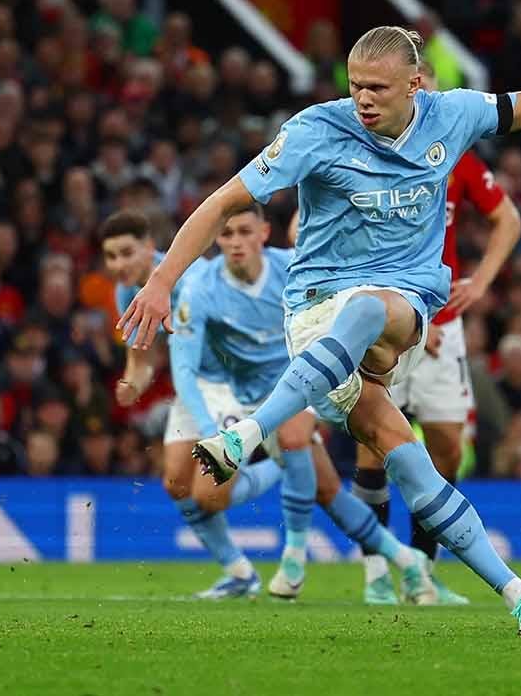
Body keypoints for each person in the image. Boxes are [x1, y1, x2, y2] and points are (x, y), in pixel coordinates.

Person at [122, 0, 521, 638]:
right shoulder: (315, 131)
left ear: (415, 86)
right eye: (355, 85)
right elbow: (223, 201)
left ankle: (249, 433)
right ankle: (520, 594)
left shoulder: (452, 114)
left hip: (401, 302)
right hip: (316, 313)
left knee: (378, 309)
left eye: (378, 87)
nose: (364, 99)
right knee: (406, 456)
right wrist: (161, 280)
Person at [112, 204, 434, 605]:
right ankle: (404, 556)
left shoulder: (291, 269)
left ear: (264, 232)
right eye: (226, 234)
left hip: (293, 379)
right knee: (310, 489)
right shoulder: (194, 288)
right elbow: (178, 364)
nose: (235, 243)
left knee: (281, 457)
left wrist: (406, 327)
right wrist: (204, 425)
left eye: (244, 232)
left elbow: (349, 302)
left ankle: (295, 557)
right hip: (225, 388)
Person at [356, 110, 521, 605]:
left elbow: (508, 219)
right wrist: (397, 316)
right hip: (386, 317)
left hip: (443, 325)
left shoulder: (456, 159)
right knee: (374, 439)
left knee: (448, 448)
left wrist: (484, 280)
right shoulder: (368, 157)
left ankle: (421, 572)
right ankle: (375, 572)